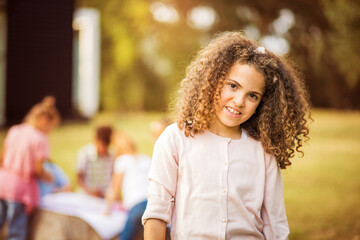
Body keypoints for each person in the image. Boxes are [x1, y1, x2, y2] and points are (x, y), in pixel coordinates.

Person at [142, 31, 312, 239]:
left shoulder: (263, 151)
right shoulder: (175, 138)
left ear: (262, 103)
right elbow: (156, 213)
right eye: (233, 86)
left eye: (252, 95)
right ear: (213, 81)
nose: (239, 101)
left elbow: (275, 226)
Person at [0, 96, 60, 240]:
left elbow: (2, 158)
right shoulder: (40, 138)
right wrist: (50, 178)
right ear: (44, 121)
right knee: (16, 230)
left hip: (2, 182)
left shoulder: (15, 130)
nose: (49, 131)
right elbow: (38, 169)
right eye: (51, 127)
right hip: (19, 189)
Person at [105, 131, 151, 240]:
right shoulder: (147, 159)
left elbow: (114, 190)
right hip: (152, 203)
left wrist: (106, 210)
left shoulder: (122, 161)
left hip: (136, 206)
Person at [77, 125, 114, 198]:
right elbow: (78, 178)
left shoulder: (112, 155)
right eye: (102, 145)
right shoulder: (85, 153)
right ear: (96, 140)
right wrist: (90, 192)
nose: (104, 149)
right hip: (87, 196)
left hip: (105, 197)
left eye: (106, 146)